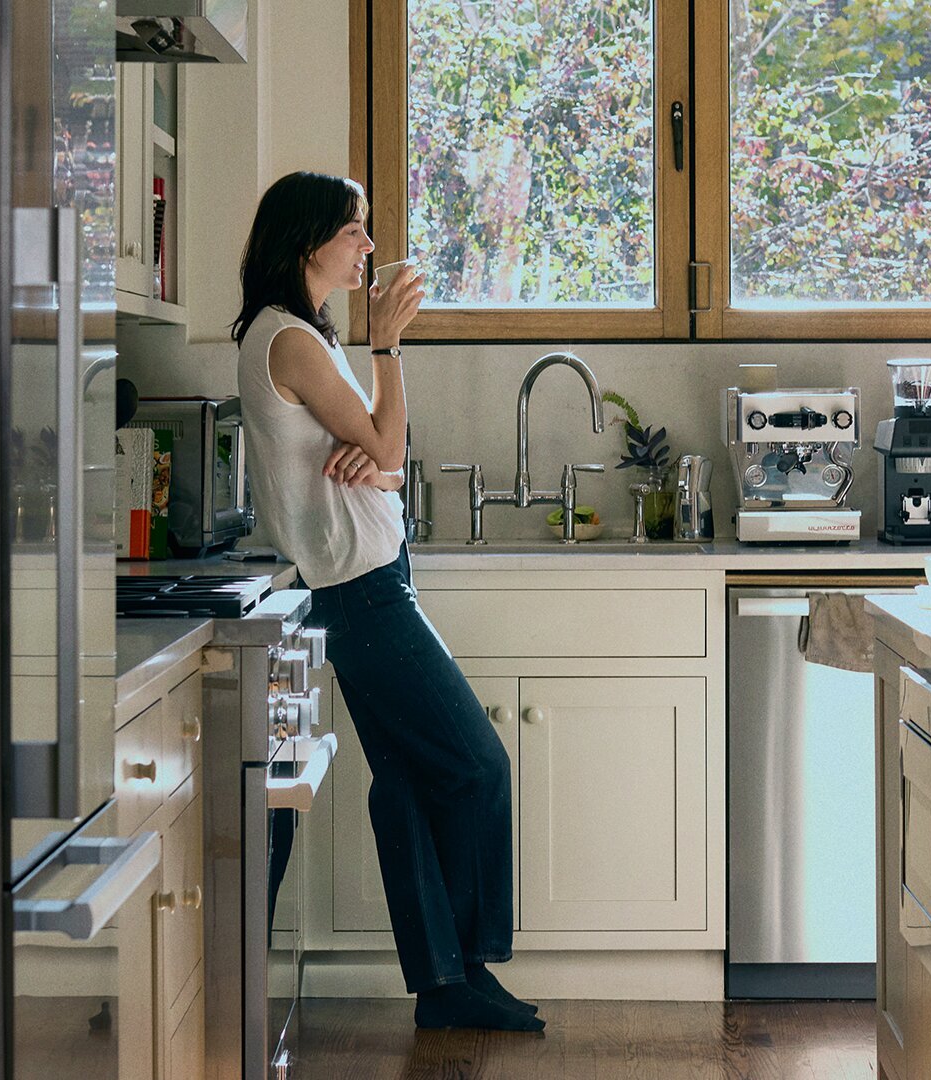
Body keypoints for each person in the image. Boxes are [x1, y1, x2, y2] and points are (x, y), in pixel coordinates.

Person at [230, 172, 541, 1033]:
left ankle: (445, 988)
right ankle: (466, 968)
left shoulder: (298, 338)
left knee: (406, 781)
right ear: (307, 244)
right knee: (479, 765)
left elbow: (382, 453)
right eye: (354, 231)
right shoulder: (291, 340)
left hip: (370, 579)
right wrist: (390, 348)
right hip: (359, 594)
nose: (368, 246)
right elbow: (385, 434)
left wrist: (382, 457)